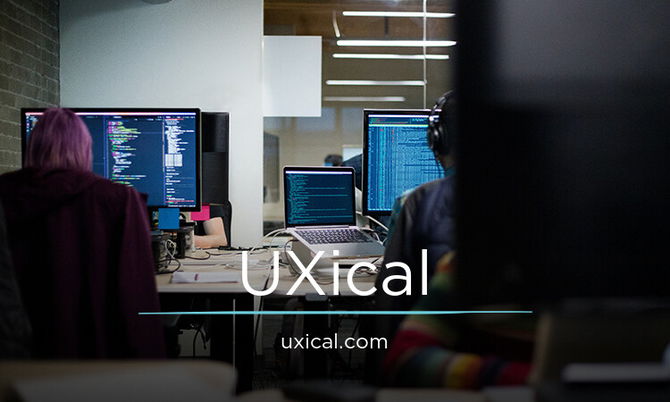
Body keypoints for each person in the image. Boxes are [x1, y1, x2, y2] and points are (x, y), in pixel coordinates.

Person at [0, 108, 165, 358]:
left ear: (32, 147)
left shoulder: (5, 193)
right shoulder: (119, 200)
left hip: (15, 363)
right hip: (94, 361)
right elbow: (136, 295)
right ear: (86, 149)